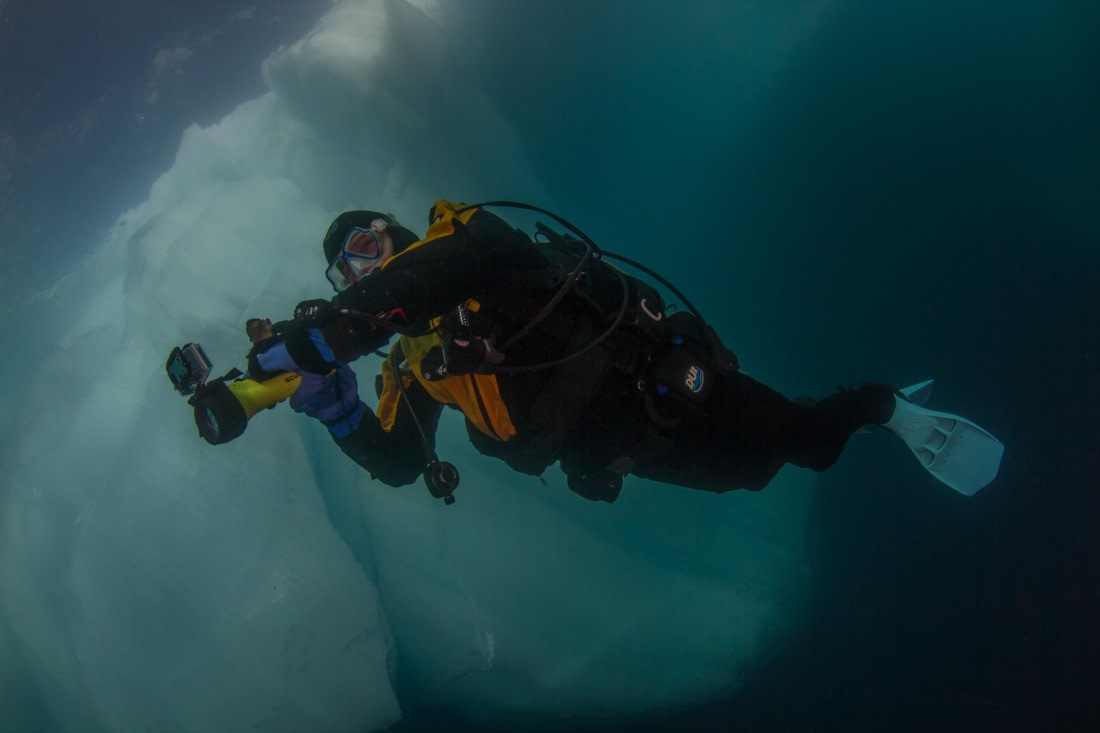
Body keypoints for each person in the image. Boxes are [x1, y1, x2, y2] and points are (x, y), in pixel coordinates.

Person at [248, 200, 1002, 503]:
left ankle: (882, 405)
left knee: (808, 447)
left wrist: (340, 325)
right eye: (349, 265)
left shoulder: (471, 239)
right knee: (756, 474)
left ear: (398, 238)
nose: (366, 266)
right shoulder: (407, 367)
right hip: (622, 450)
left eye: (370, 244)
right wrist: (335, 408)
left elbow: (456, 263)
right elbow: (399, 462)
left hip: (667, 383)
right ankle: (829, 418)